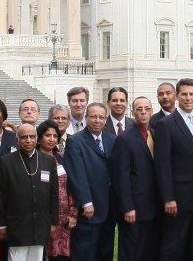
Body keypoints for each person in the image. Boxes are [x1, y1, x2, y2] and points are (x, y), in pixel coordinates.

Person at [154, 78, 193, 260]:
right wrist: (168, 198)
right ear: (177, 96)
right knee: (174, 245)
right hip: (178, 198)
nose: (188, 98)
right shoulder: (166, 124)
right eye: (184, 94)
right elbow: (162, 164)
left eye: (191, 94)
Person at [0, 124, 59, 261]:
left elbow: (54, 194)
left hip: (41, 223)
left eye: (32, 137)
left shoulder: (48, 161)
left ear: (37, 139)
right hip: (17, 224)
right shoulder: (6, 161)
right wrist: (1, 224)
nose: (28, 140)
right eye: (24, 137)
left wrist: (53, 221)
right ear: (17, 140)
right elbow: (1, 196)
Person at [63, 102, 117, 260]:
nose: (97, 120)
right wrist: (86, 202)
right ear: (86, 118)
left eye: (101, 117)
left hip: (109, 207)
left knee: (105, 250)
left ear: (106, 120)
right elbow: (76, 174)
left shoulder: (111, 139)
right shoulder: (76, 141)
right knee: (85, 251)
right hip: (89, 209)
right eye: (93, 117)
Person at [110, 97, 160, 261]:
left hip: (154, 207)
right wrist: (127, 207)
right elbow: (120, 177)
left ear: (152, 111)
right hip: (134, 208)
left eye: (147, 108)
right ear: (133, 112)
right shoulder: (124, 139)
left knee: (150, 250)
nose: (143, 112)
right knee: (132, 252)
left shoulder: (156, 133)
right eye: (139, 109)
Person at [38, 121, 78, 261]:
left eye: (55, 136)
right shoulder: (33, 159)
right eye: (47, 135)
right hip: (41, 217)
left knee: (60, 256)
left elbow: (71, 186)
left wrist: (73, 213)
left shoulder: (62, 157)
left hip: (63, 218)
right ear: (39, 138)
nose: (51, 139)